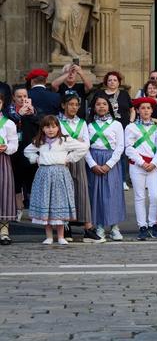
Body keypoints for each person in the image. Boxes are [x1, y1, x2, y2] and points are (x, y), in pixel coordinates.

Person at [24, 115, 88, 244]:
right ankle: (48, 236)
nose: (50, 130)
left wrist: (69, 158)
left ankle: (61, 236)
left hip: (60, 175)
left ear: (58, 127)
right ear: (42, 129)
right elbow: (27, 151)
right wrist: (35, 159)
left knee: (59, 204)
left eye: (53, 126)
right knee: (46, 204)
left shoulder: (64, 140)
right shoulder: (39, 141)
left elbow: (83, 147)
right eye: (47, 127)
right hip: (44, 175)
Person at [58, 93, 101, 242]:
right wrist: (76, 141)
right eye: (71, 104)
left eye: (76, 105)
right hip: (62, 160)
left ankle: (87, 228)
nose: (74, 107)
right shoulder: (57, 122)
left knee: (81, 192)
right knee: (63, 193)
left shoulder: (82, 123)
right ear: (64, 105)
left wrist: (70, 141)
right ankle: (65, 225)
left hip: (79, 160)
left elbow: (86, 144)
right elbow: (58, 142)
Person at [85, 95, 126, 241]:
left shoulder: (116, 124)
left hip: (111, 161)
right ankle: (100, 226)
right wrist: (92, 164)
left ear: (109, 106)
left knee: (112, 194)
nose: (101, 107)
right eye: (98, 104)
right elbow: (85, 147)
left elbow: (120, 146)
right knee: (96, 195)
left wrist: (109, 164)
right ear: (93, 108)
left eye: (104, 104)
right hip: (94, 160)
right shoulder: (88, 125)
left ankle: (114, 227)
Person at [126, 97, 157, 240]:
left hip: (153, 166)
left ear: (152, 110)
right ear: (137, 110)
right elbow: (128, 148)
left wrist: (154, 163)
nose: (146, 110)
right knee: (139, 196)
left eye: (148, 108)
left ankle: (153, 224)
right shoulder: (131, 127)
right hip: (137, 166)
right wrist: (142, 162)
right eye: (142, 108)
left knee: (154, 196)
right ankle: (142, 226)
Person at [0, 92, 19, 245]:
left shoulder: (8, 123)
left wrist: (6, 147)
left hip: (2, 159)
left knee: (4, 192)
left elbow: (14, 144)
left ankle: (4, 230)